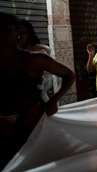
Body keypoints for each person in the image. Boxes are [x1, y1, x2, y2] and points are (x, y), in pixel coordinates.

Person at [0, 12, 75, 169]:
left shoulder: (35, 59)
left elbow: (68, 75)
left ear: (17, 33)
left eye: (5, 30)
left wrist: (54, 100)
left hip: (33, 124)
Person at [18, 19, 53, 102]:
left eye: (22, 33)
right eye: (16, 32)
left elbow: (48, 81)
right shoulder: (9, 53)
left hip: (37, 103)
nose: (18, 36)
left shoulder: (39, 53)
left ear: (29, 35)